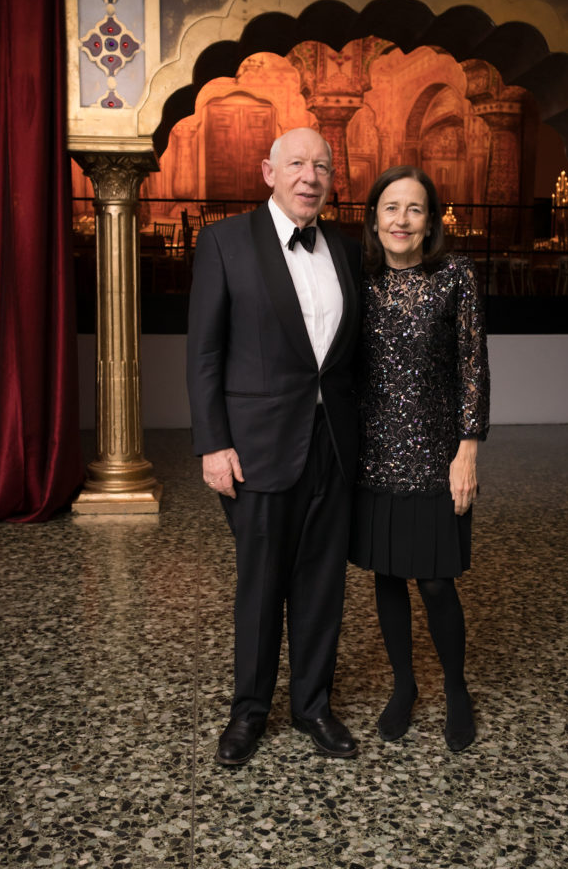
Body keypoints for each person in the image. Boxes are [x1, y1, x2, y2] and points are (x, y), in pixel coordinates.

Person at [187, 127, 361, 766]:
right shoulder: (225, 241)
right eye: (296, 163)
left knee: (322, 585)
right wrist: (213, 443)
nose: (309, 176)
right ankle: (248, 713)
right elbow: (204, 352)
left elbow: (346, 363)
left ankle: (313, 705)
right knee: (260, 586)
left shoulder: (344, 250)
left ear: (331, 179)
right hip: (257, 447)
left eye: (321, 165)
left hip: (334, 446)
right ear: (268, 171)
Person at [349, 165, 489, 752]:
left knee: (434, 581)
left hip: (437, 456)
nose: (401, 219)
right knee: (387, 576)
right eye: (391, 207)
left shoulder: (455, 274)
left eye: (414, 208)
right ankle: (404, 685)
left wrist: (468, 449)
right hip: (374, 452)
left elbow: (472, 368)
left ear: (430, 220)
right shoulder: (359, 278)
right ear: (374, 217)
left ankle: (456, 689)